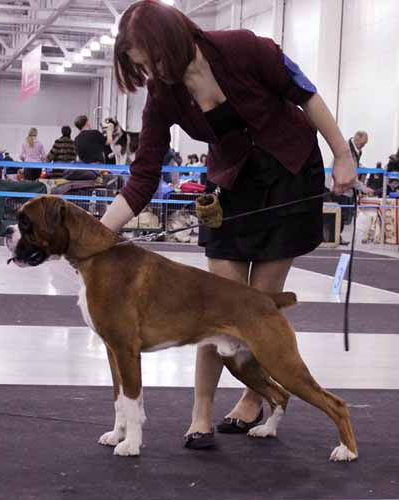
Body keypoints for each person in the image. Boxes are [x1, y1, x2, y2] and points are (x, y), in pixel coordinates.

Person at [100, 0, 356, 449]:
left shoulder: (244, 49)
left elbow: (306, 93)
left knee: (258, 305)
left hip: (289, 174)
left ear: (171, 42)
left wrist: (341, 153)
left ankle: (254, 398)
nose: (151, 74)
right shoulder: (163, 95)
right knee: (213, 303)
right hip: (232, 184)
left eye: (152, 61)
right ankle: (200, 413)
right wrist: (100, 235)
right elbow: (144, 175)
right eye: (141, 68)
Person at [72, 115, 107, 180]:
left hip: (85, 170)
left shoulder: (76, 139)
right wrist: (110, 130)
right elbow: (108, 142)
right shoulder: (95, 133)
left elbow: (79, 155)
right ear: (87, 123)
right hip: (98, 169)